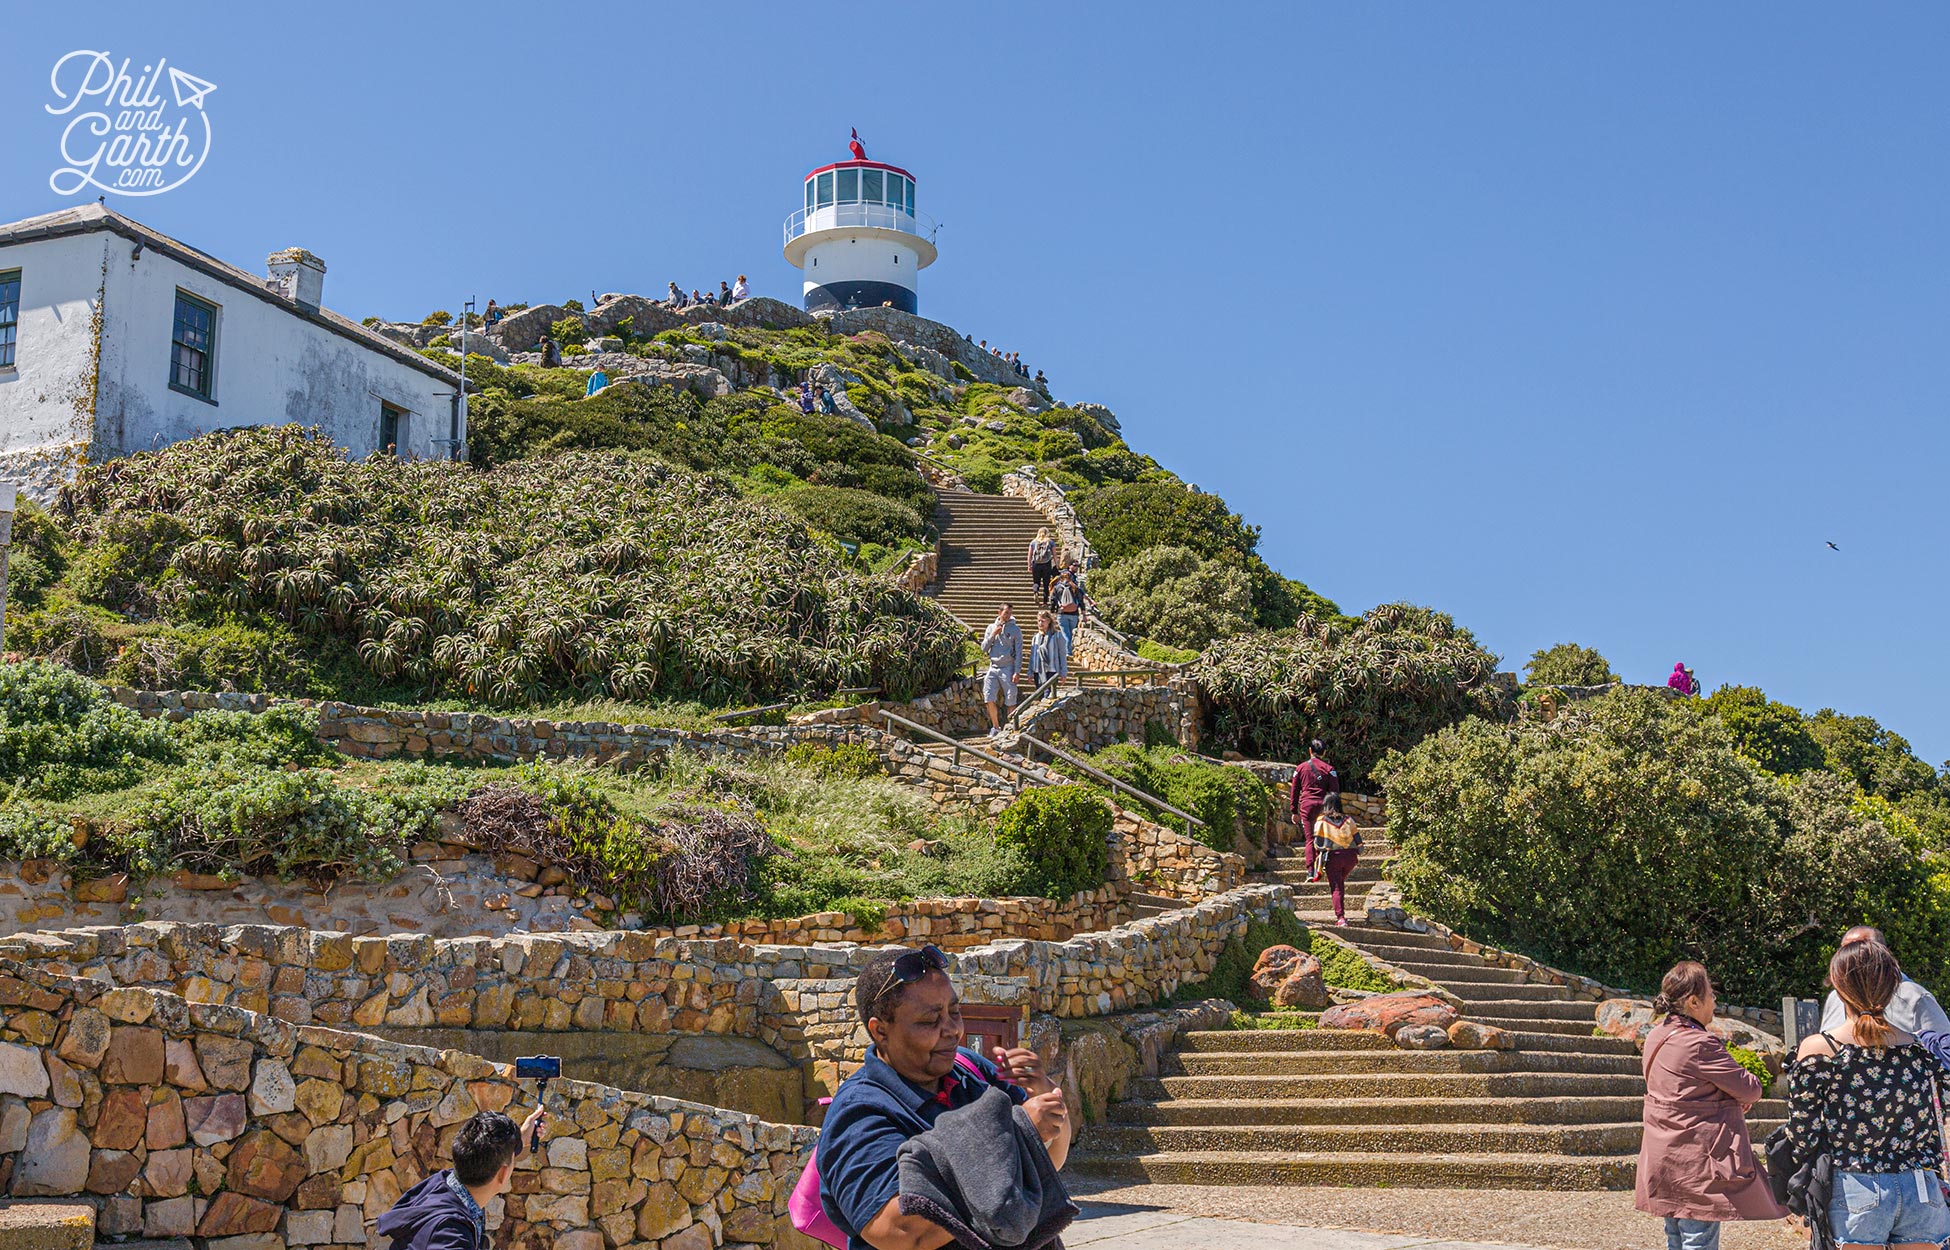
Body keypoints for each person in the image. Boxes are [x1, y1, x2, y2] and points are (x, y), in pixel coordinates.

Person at [815, 946, 1071, 1250]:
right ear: (880, 1031)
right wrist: (1019, 1136)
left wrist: (1046, 1097)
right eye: (929, 1020)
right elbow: (900, 1231)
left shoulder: (971, 1071)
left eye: (955, 1012)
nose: (952, 1030)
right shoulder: (860, 1112)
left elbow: (1051, 1158)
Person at [1783, 940, 1950, 1250]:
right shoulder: (1920, 1049)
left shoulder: (1821, 1049)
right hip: (1921, 1187)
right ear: (1893, 985)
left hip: (1856, 1185)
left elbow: (1802, 1133)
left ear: (1837, 984)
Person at [1634, 961, 1785, 1250]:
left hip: (1662, 1154)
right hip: (1694, 1159)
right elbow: (1750, 1088)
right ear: (1693, 1002)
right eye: (1711, 994)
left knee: (1675, 1236)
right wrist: (1732, 1099)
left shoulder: (1655, 1036)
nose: (1715, 1002)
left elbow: (1682, 1091)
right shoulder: (1699, 1043)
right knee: (1698, 1238)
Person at [377, 1106, 548, 1250]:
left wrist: (518, 1141)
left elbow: (489, 1157)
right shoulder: (449, 1238)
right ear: (503, 1174)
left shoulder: (442, 1184)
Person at [1820, 927, 1950, 1035]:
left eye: (1862, 948)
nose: (1852, 956)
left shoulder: (1914, 996)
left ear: (1882, 952)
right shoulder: (1835, 998)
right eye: (1846, 949)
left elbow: (1944, 1051)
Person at [1287, 740, 1340, 877]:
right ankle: (1325, 862)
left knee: (1310, 839)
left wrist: (1294, 810)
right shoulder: (1330, 769)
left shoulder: (1300, 768)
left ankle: (1310, 871)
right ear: (1325, 752)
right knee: (1325, 836)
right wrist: (1336, 811)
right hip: (1324, 807)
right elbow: (1334, 792)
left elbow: (1294, 791)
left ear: (1310, 750)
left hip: (1307, 806)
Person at [1311, 793, 1363, 925]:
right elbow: (1358, 841)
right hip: (1350, 857)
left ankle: (1340, 918)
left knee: (1336, 887)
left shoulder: (1321, 821)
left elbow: (1317, 842)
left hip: (1334, 857)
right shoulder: (1348, 819)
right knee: (1339, 883)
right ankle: (1341, 912)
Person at [980, 604, 1022, 737]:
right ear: (999, 612)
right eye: (1005, 613)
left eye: (1010, 613)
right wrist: (993, 635)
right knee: (988, 696)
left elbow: (1019, 652)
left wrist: (1017, 671)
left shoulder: (1015, 630)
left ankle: (1011, 730)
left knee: (1011, 699)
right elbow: (983, 648)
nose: (1008, 616)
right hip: (993, 666)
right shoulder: (991, 627)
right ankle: (995, 727)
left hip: (1008, 667)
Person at [1028, 610, 1069, 690]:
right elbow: (1033, 656)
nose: (1040, 623)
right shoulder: (1036, 637)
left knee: (1048, 695)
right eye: (1039, 621)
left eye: (1043, 621)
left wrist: (1063, 673)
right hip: (1038, 672)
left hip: (1052, 671)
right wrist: (1030, 672)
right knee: (1040, 696)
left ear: (1049, 621)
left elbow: (1062, 655)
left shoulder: (1057, 636)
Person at [1048, 568, 1085, 648]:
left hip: (1062, 613)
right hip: (1074, 614)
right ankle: (1069, 651)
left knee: (1065, 634)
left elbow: (1053, 600)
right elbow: (1081, 600)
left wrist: (1052, 612)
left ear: (1060, 578)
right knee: (1071, 634)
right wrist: (1084, 614)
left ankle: (1068, 652)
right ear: (1071, 578)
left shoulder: (1057, 588)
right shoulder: (1075, 588)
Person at [1027, 527, 1057, 604]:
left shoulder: (1033, 542)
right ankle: (1045, 602)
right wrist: (1057, 564)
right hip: (1047, 564)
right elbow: (1054, 555)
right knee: (1046, 583)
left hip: (1036, 564)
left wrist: (1029, 565)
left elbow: (1029, 555)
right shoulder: (1050, 542)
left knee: (1036, 582)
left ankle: (1035, 591)